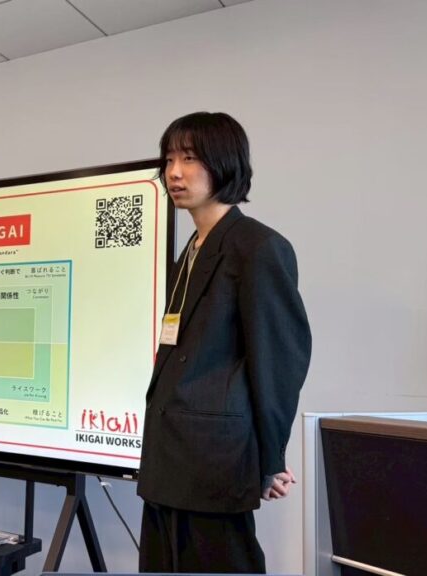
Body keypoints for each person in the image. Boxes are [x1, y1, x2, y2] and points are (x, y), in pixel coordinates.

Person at [137, 112, 312, 573]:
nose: (175, 172)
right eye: (169, 159)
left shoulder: (257, 247)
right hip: (169, 457)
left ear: (224, 163)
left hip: (212, 463)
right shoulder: (193, 248)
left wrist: (270, 459)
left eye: (190, 159)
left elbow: (278, 363)